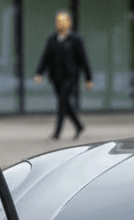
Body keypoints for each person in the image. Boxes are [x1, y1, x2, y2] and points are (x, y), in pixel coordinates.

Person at [33, 11, 94, 139]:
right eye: (58, 21)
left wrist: (88, 78)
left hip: (70, 78)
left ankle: (56, 134)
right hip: (56, 78)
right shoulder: (52, 39)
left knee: (62, 103)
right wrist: (39, 73)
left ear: (69, 23)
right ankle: (79, 126)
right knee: (65, 103)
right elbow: (45, 57)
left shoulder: (76, 40)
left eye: (63, 21)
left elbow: (83, 59)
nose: (60, 24)